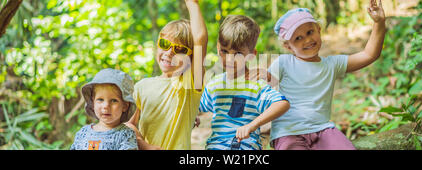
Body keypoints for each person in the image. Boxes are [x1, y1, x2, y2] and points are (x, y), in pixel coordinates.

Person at [268, 0, 386, 150]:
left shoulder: (332, 64)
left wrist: (379, 22)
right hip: (288, 132)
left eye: (310, 32)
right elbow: (260, 91)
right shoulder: (283, 63)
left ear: (318, 29)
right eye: (298, 38)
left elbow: (369, 55)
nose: (308, 40)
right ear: (287, 46)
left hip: (323, 130)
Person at [199, 15, 290, 150]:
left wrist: (252, 125)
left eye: (238, 54)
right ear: (218, 48)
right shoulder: (214, 84)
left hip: (245, 146)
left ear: (251, 55)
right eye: (224, 51)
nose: (229, 59)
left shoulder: (255, 84)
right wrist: (193, 116)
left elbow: (282, 104)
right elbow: (197, 107)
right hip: (215, 146)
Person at [125, 0, 208, 150]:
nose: (170, 52)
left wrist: (192, 3)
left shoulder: (188, 84)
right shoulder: (141, 87)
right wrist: (145, 146)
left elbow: (200, 39)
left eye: (180, 49)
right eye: (164, 44)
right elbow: (128, 125)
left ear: (191, 58)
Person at [70, 68, 138, 150]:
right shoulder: (82, 133)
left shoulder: (125, 135)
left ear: (125, 106)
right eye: (100, 99)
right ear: (93, 102)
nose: (106, 106)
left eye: (113, 100)